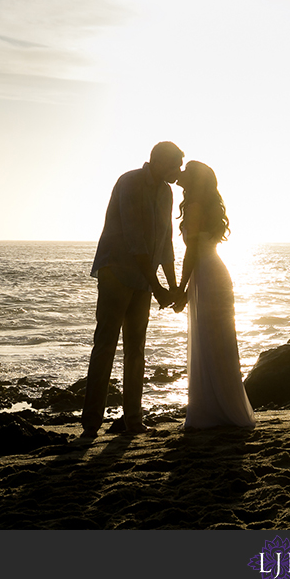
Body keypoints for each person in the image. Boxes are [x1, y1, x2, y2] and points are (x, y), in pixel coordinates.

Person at [80, 142, 184, 438]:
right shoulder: (130, 182)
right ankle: (91, 424)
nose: (179, 171)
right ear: (161, 162)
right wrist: (159, 288)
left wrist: (172, 287)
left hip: (143, 279)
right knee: (106, 345)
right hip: (117, 272)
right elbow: (134, 240)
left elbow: (165, 244)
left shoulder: (166, 192)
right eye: (176, 164)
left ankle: (133, 421)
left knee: (136, 349)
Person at [172, 160, 256, 430]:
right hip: (212, 271)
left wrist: (182, 288)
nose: (180, 173)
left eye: (186, 171)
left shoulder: (195, 207)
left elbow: (192, 251)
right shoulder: (203, 206)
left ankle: (216, 410)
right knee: (216, 340)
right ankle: (221, 407)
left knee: (212, 339)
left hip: (205, 274)